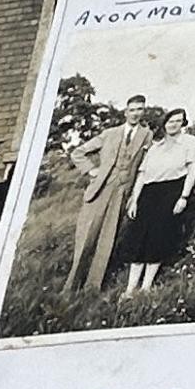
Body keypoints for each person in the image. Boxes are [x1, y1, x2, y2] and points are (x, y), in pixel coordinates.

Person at [67, 96, 152, 293]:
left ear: (143, 112)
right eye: (132, 109)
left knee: (108, 238)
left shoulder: (146, 135)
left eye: (140, 109)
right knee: (87, 236)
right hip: (100, 189)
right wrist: (91, 171)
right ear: (126, 112)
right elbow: (78, 152)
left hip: (122, 192)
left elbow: (144, 166)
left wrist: (134, 196)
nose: (136, 113)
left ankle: (92, 287)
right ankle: (71, 286)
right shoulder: (110, 133)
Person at [116, 108, 195, 296]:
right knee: (138, 238)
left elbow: (192, 171)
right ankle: (130, 289)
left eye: (179, 121)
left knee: (158, 238)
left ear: (183, 123)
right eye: (171, 121)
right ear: (164, 123)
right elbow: (142, 175)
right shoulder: (155, 147)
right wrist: (135, 200)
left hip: (171, 192)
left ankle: (146, 287)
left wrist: (184, 197)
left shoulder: (189, 142)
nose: (174, 124)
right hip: (148, 194)